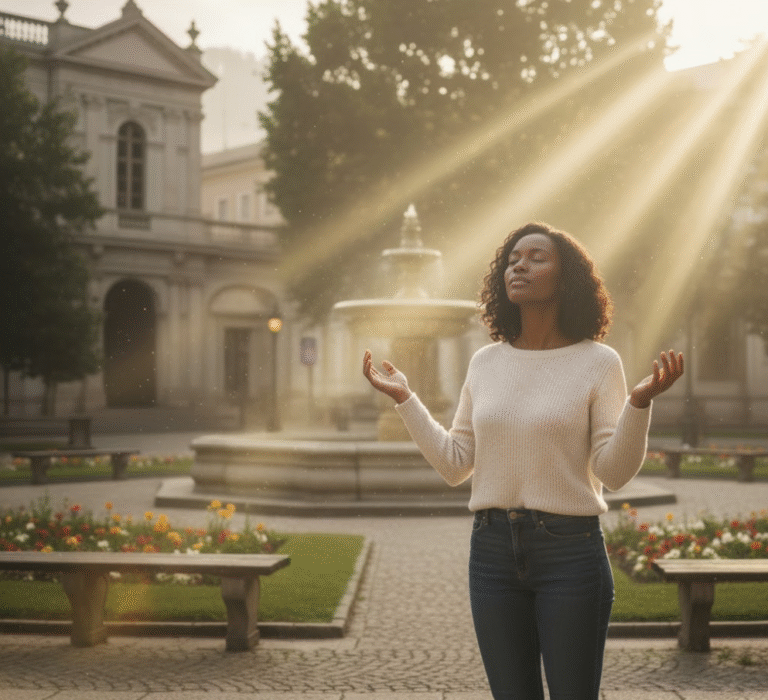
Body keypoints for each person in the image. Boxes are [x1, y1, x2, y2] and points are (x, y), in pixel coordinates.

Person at [362, 221, 683, 700]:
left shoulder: (599, 363)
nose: (520, 265)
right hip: (490, 554)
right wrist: (407, 400)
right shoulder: (486, 362)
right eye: (513, 259)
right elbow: (456, 463)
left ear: (565, 278)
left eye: (537, 257)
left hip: (570, 554)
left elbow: (613, 473)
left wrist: (638, 405)